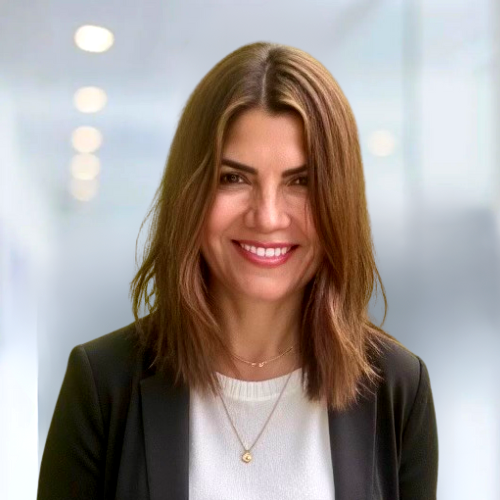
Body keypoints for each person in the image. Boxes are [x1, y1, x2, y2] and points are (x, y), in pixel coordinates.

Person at [37, 41, 438, 500]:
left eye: (300, 182)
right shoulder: (103, 384)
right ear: (191, 194)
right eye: (233, 178)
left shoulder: (397, 388)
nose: (267, 217)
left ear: (339, 200)